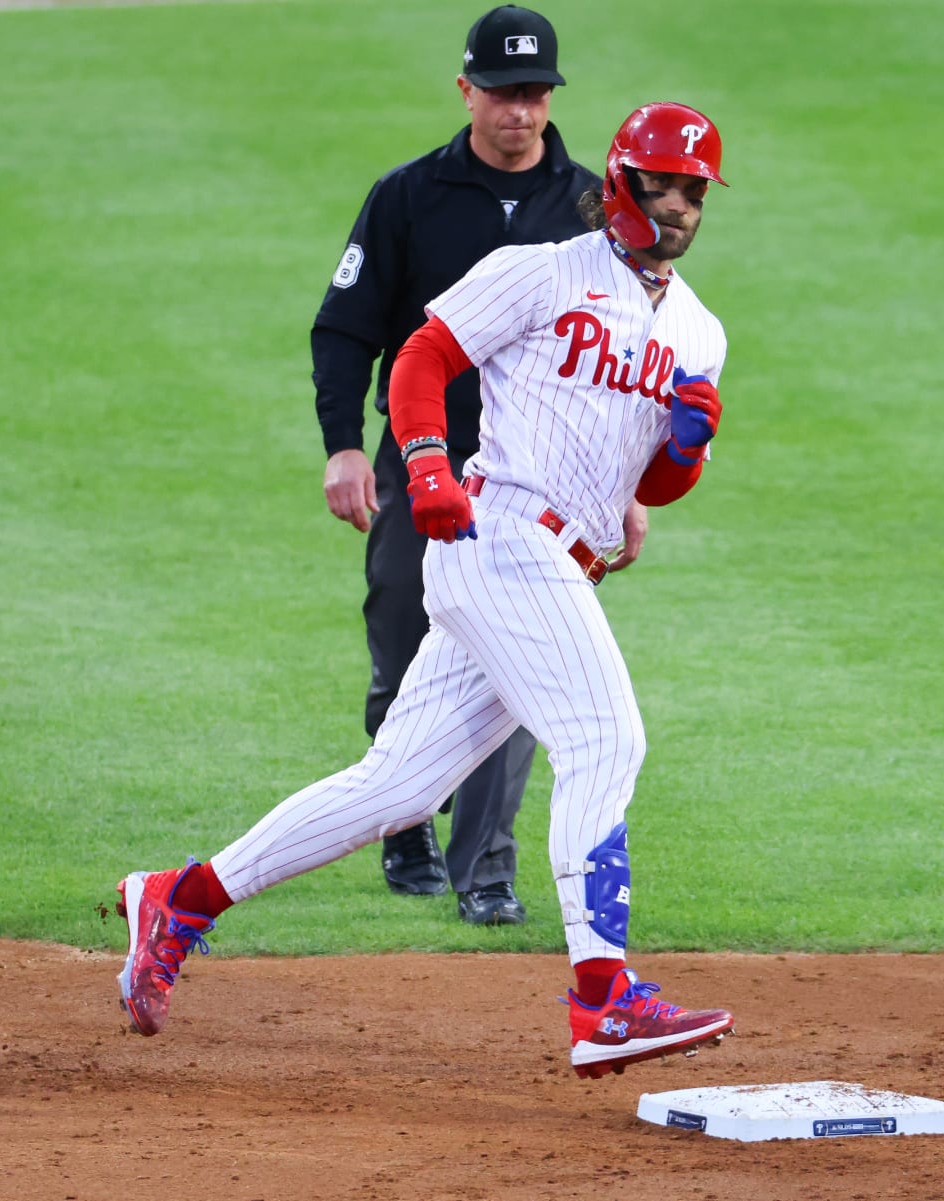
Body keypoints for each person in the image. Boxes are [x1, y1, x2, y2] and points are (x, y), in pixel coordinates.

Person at [117, 101, 736, 1081]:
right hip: (497, 539)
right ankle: (603, 997)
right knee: (607, 739)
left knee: (396, 787)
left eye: (692, 189)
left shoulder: (700, 333)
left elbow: (647, 488)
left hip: (559, 565)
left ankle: (181, 896)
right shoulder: (543, 269)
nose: (675, 204)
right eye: (657, 183)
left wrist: (686, 453)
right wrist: (428, 462)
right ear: (618, 183)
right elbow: (422, 355)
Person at [312, 4, 644, 923]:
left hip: (538, 489)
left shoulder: (588, 207)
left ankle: (487, 867)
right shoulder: (407, 195)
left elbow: (625, 348)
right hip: (417, 463)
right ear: (467, 91)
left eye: (535, 93)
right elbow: (345, 329)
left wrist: (623, 484)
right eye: (502, 93)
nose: (520, 112)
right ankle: (403, 817)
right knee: (401, 649)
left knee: (520, 671)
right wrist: (346, 444)